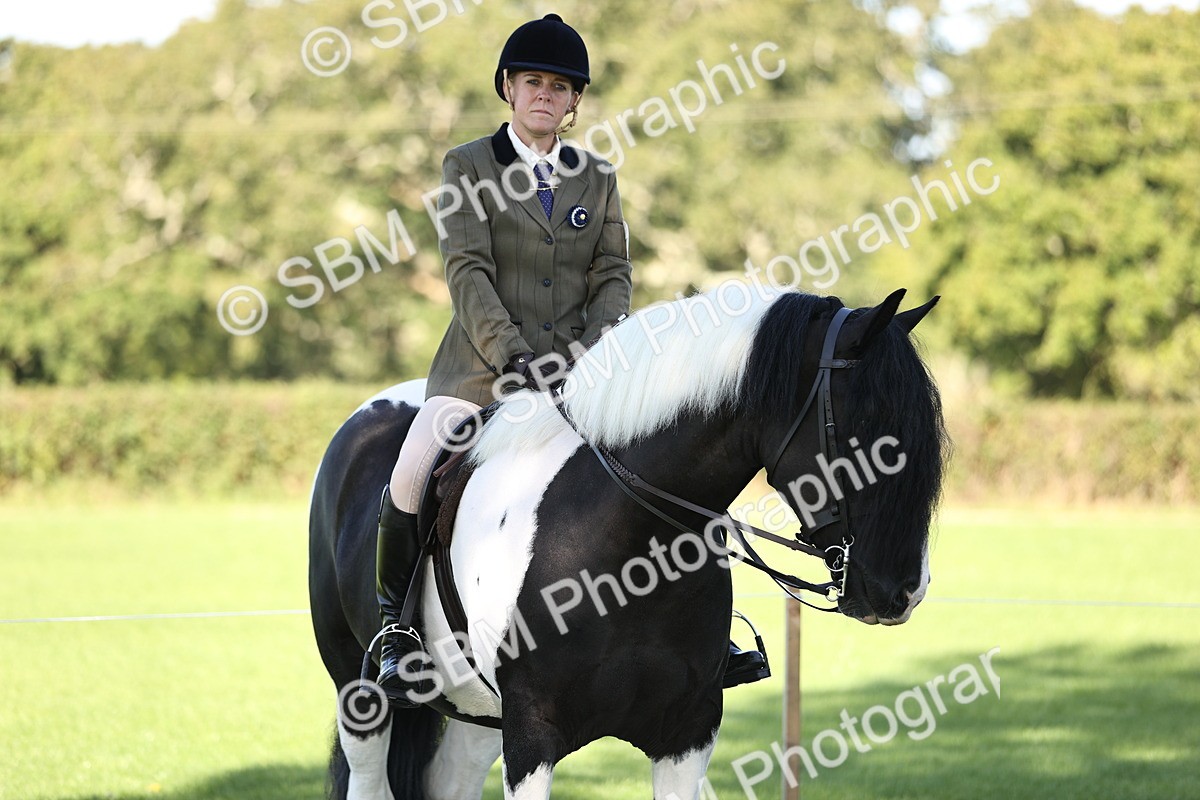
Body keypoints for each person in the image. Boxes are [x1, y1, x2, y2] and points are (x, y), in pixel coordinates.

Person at [373, 14, 766, 706]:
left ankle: (699, 634)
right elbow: (466, 272)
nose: (547, 95)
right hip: (481, 374)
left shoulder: (598, 176)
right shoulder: (468, 165)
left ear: (574, 101)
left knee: (668, 464)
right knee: (411, 476)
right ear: (508, 87)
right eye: (534, 82)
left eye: (561, 87)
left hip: (583, 383)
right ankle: (396, 634)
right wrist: (516, 357)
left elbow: (613, 274)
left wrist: (588, 357)